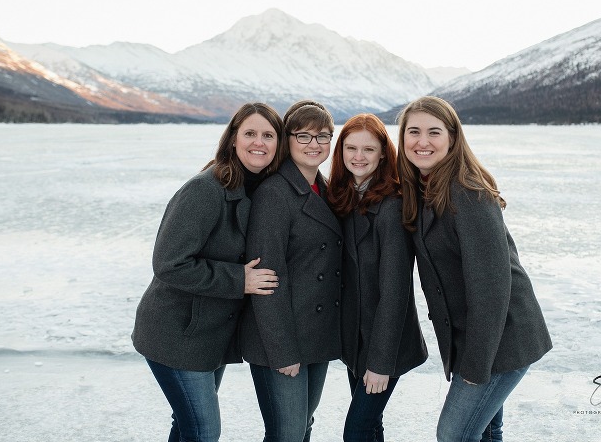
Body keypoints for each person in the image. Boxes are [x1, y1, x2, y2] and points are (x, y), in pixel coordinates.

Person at [396, 96, 552, 442]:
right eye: (414, 132)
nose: (423, 142)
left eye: (434, 132)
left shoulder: (468, 193)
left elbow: (492, 290)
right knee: (485, 432)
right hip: (475, 340)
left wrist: (475, 368)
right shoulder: (424, 187)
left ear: (452, 138)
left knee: (453, 433)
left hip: (501, 342)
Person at [132, 102, 284, 442]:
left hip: (207, 336)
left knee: (187, 425)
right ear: (232, 140)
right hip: (176, 334)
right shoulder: (205, 189)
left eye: (268, 135)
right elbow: (169, 263)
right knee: (203, 431)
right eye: (249, 133)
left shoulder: (259, 188)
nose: (258, 142)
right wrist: (239, 279)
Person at [239, 100, 342, 442]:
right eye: (304, 136)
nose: (315, 144)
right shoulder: (274, 194)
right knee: (287, 433)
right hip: (280, 339)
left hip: (316, 334)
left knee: (302, 427)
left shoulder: (326, 190)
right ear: (288, 140)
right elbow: (267, 278)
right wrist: (282, 351)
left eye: (323, 136)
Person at [327, 114, 428, 442]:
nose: (358, 156)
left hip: (386, 344)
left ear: (384, 153)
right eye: (351, 147)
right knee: (371, 426)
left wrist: (381, 362)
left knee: (355, 431)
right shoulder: (344, 197)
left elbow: (396, 291)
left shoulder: (391, 207)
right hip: (356, 340)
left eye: (368, 149)